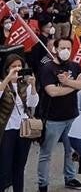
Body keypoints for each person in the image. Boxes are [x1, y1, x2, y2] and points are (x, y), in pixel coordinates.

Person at [37, 38, 81, 192]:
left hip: (72, 116)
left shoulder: (74, 66)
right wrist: (74, 85)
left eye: (68, 47)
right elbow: (52, 92)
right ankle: (42, 184)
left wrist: (67, 82)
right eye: (62, 47)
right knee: (46, 153)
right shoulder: (47, 68)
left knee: (72, 151)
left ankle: (70, 178)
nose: (66, 50)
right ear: (55, 49)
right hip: (53, 119)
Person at [0, 54, 39, 192]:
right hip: (6, 129)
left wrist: (33, 86)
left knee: (19, 166)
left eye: (19, 66)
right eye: (13, 66)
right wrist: (7, 79)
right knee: (4, 165)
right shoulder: (2, 83)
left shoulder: (24, 84)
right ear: (7, 68)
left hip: (23, 129)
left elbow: (33, 103)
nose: (17, 69)